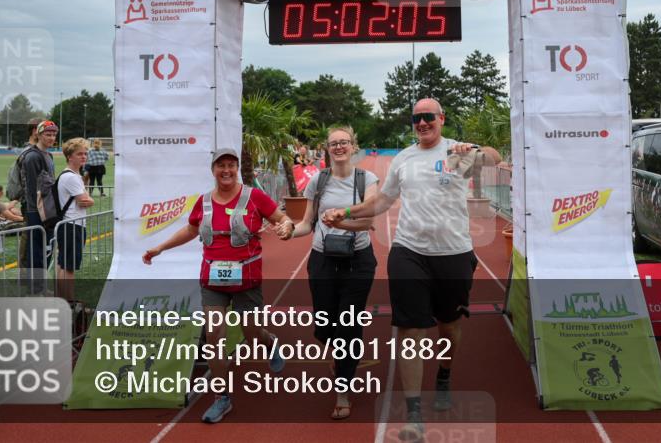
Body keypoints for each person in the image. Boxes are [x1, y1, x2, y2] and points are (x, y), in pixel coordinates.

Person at [323, 98, 500, 441]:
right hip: (408, 252)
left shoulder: (458, 152)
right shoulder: (403, 159)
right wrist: (346, 212)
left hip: (453, 253)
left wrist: (477, 150)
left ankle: (444, 373)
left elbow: (494, 159)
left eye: (428, 117)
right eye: (416, 118)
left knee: (449, 328)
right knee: (409, 331)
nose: (422, 123)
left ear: (441, 119)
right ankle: (414, 413)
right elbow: (381, 201)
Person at [143, 148, 293, 424]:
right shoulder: (203, 202)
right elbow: (191, 230)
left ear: (237, 169)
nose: (226, 170)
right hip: (213, 281)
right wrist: (160, 247)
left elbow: (282, 218)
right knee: (214, 338)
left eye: (231, 165)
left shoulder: (254, 196)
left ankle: (270, 342)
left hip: (247, 279)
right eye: (221, 165)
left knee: (252, 337)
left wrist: (286, 226)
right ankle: (221, 398)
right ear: (213, 170)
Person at [281, 126, 380, 420]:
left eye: (344, 142)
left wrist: (340, 222)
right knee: (324, 328)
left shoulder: (366, 179)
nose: (339, 147)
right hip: (322, 260)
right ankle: (342, 355)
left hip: (357, 261)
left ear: (353, 146)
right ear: (327, 148)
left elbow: (368, 221)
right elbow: (307, 223)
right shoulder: (319, 181)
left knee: (348, 325)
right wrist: (289, 231)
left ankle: (342, 391)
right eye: (333, 143)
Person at [19, 120, 58, 289]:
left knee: (47, 246)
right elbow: (33, 188)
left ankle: (41, 284)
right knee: (36, 249)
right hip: (36, 210)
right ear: (39, 134)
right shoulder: (32, 156)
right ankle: (35, 286)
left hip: (47, 208)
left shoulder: (48, 155)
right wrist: (40, 211)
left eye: (54, 134)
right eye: (48, 134)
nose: (51, 138)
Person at [56, 138, 95, 301]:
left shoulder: (72, 175)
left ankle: (63, 300)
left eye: (85, 153)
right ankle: (70, 302)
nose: (84, 157)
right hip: (72, 225)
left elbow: (84, 199)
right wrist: (91, 200)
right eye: (79, 154)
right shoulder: (71, 177)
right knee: (69, 267)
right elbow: (84, 200)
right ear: (69, 156)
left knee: (63, 264)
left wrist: (88, 198)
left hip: (69, 224)